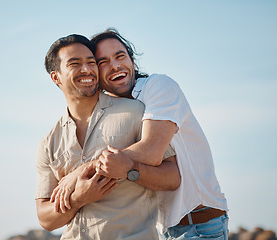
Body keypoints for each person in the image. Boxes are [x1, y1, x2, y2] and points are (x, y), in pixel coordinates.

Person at [35, 34, 180, 239]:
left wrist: (129, 169)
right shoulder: (49, 143)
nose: (86, 69)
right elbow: (45, 218)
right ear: (56, 77)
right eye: (75, 63)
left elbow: (173, 177)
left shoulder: (136, 112)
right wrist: (78, 199)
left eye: (91, 62)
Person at [90, 28, 229, 240]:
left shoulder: (158, 86)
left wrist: (78, 175)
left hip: (200, 226)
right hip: (164, 231)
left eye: (120, 56)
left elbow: (151, 151)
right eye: (103, 62)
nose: (115, 65)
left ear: (132, 62)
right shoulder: (113, 114)